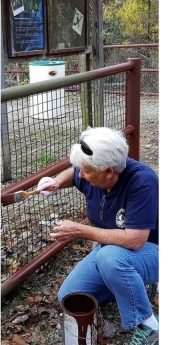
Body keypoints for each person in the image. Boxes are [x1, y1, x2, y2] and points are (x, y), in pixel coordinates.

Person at [36, 127, 159, 345]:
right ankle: (132, 284)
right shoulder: (94, 172)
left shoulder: (143, 182)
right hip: (114, 251)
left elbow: (135, 240)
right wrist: (55, 183)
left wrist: (79, 230)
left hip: (151, 251)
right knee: (71, 296)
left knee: (110, 257)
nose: (81, 174)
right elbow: (73, 174)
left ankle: (150, 327)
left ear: (109, 172)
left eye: (86, 170)